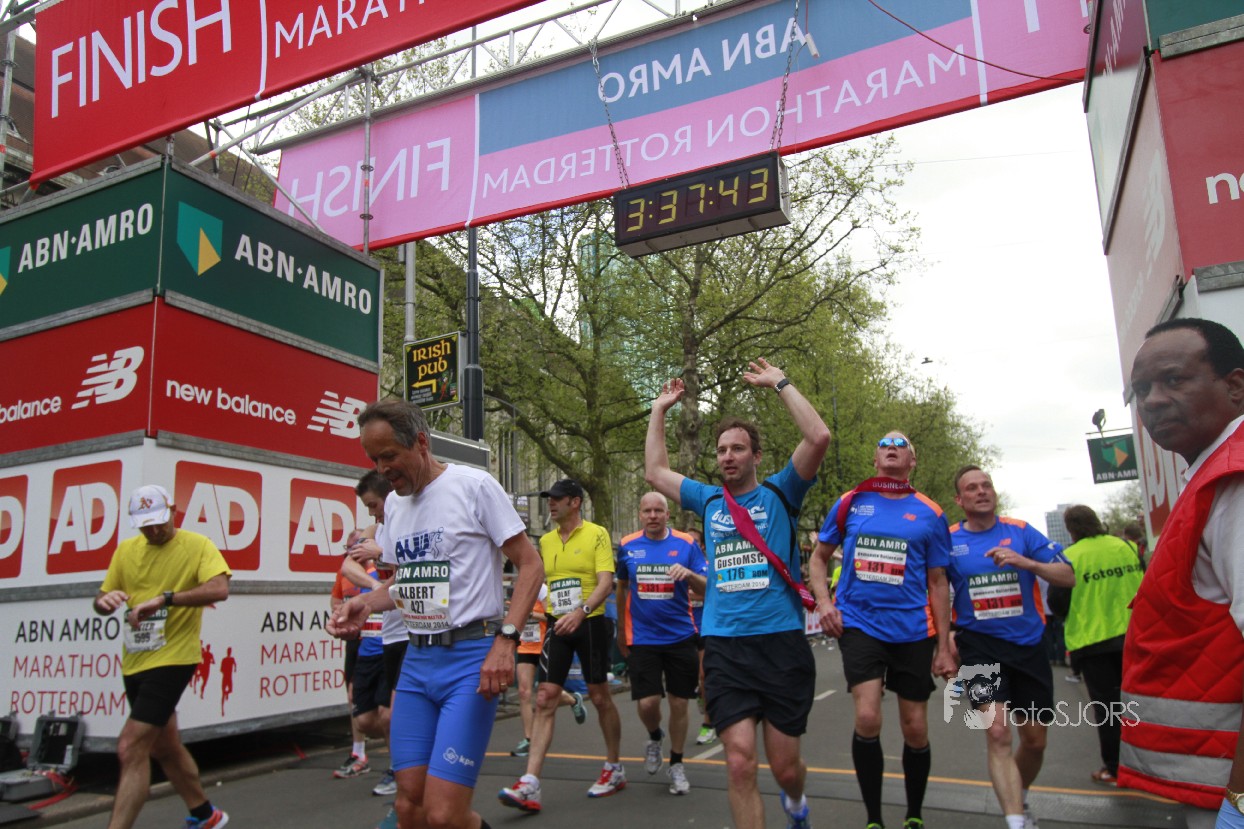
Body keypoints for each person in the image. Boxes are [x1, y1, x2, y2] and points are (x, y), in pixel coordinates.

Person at [328, 399, 543, 829]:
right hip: (417, 662)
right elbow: (404, 583)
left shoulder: (474, 486)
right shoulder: (394, 506)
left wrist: (506, 641)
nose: (382, 469)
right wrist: (363, 604)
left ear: (421, 443)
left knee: (444, 814)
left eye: (389, 455)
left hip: (470, 660)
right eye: (374, 459)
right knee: (409, 806)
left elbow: (530, 565)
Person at [645, 359, 831, 829]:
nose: (728, 456)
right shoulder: (708, 499)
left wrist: (780, 383)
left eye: (738, 449)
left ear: (756, 456)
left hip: (780, 643)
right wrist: (659, 410)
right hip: (725, 647)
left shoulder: (782, 493)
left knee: (785, 767)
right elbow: (656, 472)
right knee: (740, 762)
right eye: (722, 449)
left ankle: (796, 803)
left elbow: (818, 437)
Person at [1121, 318, 1244, 829]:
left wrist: (1240, 803)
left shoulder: (1235, 481)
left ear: (1235, 386)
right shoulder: (1212, 476)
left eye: (1174, 380)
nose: (1153, 400)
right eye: (1141, 389)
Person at [809, 431, 956, 829]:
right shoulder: (851, 502)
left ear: (913, 461)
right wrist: (824, 603)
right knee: (868, 715)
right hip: (860, 624)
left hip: (913, 630)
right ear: (875, 459)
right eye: (885, 443)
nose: (892, 447)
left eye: (901, 444)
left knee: (915, 727)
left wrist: (944, 646)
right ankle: (874, 818)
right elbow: (819, 559)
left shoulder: (930, 512)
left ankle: (914, 814)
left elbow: (938, 581)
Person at [93, 484, 232, 829]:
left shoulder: (197, 545)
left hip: (174, 658)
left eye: (159, 521)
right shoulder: (126, 551)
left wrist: (166, 599)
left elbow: (219, 589)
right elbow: (103, 597)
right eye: (146, 525)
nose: (154, 530)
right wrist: (104, 603)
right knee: (164, 747)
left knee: (131, 746)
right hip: (136, 659)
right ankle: (206, 815)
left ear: (172, 511)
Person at [946, 466, 1074, 829]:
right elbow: (936, 589)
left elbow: (1068, 575)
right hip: (978, 647)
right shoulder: (949, 540)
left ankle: (1020, 795)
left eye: (986, 485)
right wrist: (944, 640)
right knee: (998, 732)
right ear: (960, 499)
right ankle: (1016, 821)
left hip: (1028, 646)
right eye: (972, 488)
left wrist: (1026, 562)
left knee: (1034, 741)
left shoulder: (1020, 531)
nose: (981, 491)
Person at [499, 478, 625, 812]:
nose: (550, 504)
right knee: (545, 696)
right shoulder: (546, 541)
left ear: (575, 502)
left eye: (556, 499)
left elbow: (606, 583)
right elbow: (538, 583)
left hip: (591, 621)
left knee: (600, 696)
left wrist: (581, 612)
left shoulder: (596, 533)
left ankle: (614, 766)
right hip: (558, 623)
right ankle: (530, 782)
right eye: (548, 499)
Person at [615, 492, 708, 795]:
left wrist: (689, 574)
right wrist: (621, 631)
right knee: (648, 703)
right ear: (640, 515)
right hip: (643, 638)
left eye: (659, 510)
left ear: (668, 515)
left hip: (681, 636)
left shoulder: (687, 544)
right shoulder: (628, 546)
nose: (653, 516)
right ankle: (655, 736)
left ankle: (677, 763)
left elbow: (709, 587)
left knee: (680, 703)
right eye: (647, 511)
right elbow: (622, 588)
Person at [1059, 505, 1143, 788]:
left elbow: (1058, 604)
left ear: (1070, 529)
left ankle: (1115, 768)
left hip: (1093, 640)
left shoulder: (1070, 557)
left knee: (1108, 709)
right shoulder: (1126, 547)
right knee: (1140, 703)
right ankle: (1151, 765)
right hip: (1133, 634)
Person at [510, 583, 588, 759]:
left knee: (546, 692)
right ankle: (529, 739)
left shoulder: (541, 589)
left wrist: (530, 614)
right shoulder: (517, 589)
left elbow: (550, 617)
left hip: (544, 643)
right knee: (523, 692)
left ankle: (572, 700)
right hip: (526, 645)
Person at [686, 526, 716, 746]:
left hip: (704, 626)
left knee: (705, 675)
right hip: (683, 627)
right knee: (692, 678)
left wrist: (690, 592)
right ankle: (699, 692)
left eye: (695, 541)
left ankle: (708, 724)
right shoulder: (673, 562)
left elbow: (711, 592)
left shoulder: (707, 565)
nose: (690, 545)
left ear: (702, 545)